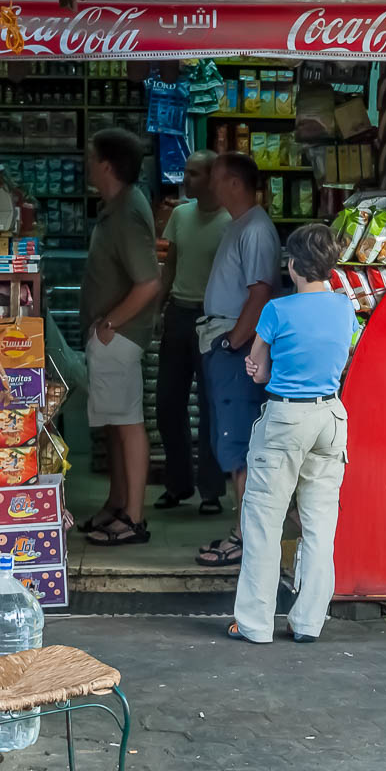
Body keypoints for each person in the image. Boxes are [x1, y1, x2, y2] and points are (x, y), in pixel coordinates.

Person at [225, 224, 357, 644]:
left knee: (264, 522)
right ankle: (308, 623)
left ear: (293, 265)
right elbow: (341, 357)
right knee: (320, 525)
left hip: (285, 418)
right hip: (331, 417)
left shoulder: (277, 311)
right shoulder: (344, 308)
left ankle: (255, 624)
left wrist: (258, 368)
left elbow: (259, 369)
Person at [194, 153, 281, 567]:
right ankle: (244, 531)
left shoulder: (256, 229)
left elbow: (260, 292)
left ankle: (248, 537)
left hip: (236, 346)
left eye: (215, 178)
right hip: (224, 341)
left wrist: (233, 343)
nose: (208, 185)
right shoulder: (240, 226)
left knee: (240, 444)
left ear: (233, 183)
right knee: (230, 444)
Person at [80, 128, 163, 546]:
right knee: (114, 422)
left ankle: (132, 517)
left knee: (128, 423)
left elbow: (148, 282)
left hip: (120, 336)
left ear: (107, 165)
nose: (87, 164)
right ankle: (118, 504)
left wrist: (110, 324)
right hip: (114, 334)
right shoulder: (118, 206)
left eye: (92, 157)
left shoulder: (128, 211)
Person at [156, 151, 231, 515]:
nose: (186, 178)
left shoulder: (231, 222)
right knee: (168, 405)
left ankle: (211, 491)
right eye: (186, 171)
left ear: (213, 177)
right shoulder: (181, 215)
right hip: (178, 314)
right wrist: (158, 308)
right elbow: (170, 265)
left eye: (194, 173)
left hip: (214, 319)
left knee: (210, 408)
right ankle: (178, 484)